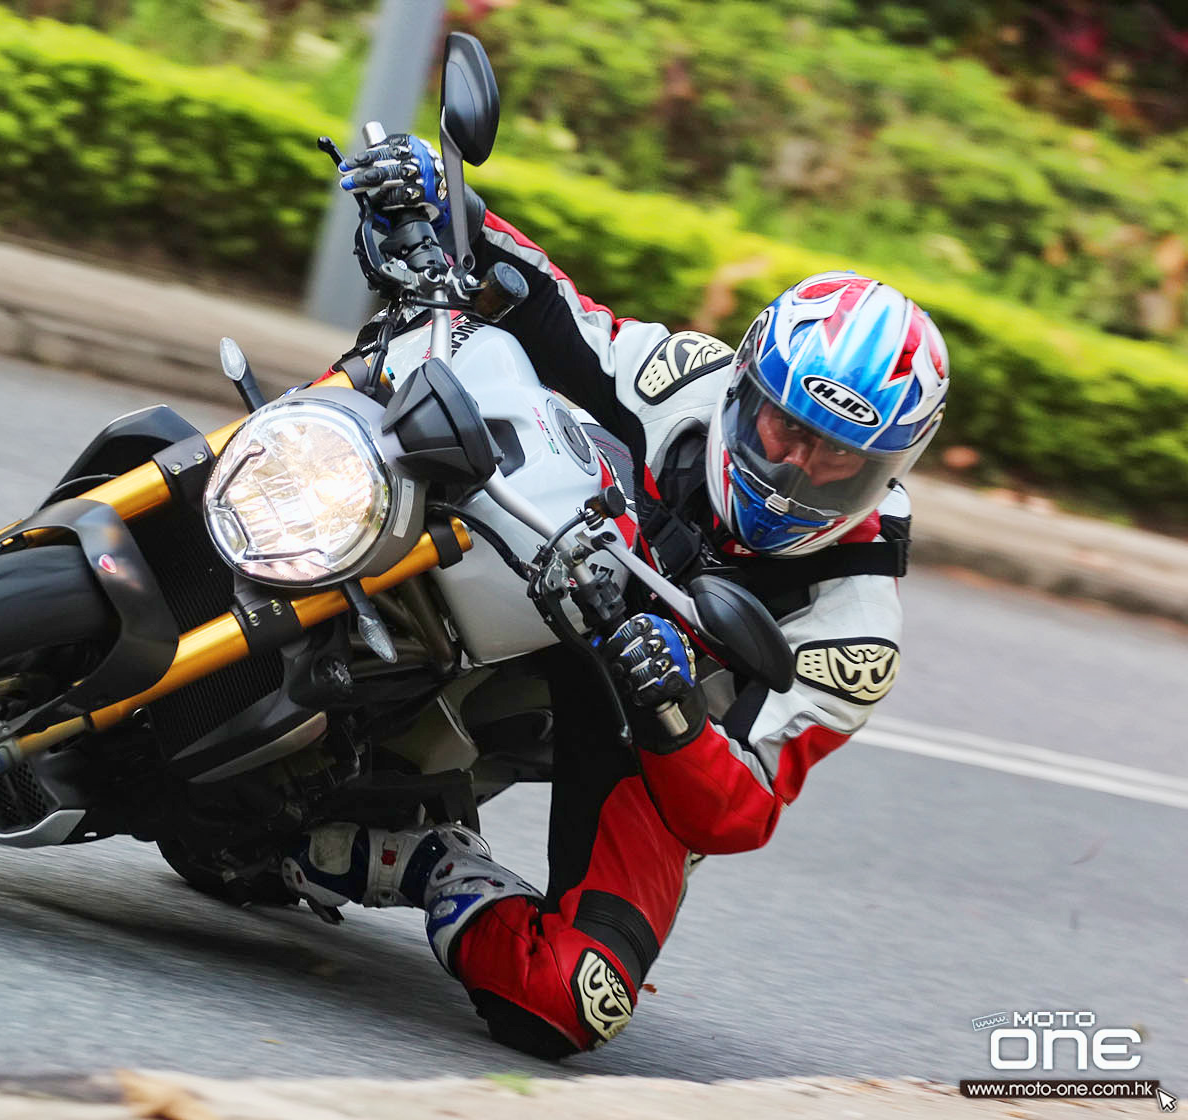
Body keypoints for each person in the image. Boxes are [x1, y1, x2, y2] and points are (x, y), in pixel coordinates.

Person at [282, 135, 951, 1058]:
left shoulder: (856, 626)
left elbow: (741, 812)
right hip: (537, 564)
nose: (795, 470)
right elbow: (554, 311)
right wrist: (444, 202)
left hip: (652, 730)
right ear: (745, 387)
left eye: (838, 458)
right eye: (783, 428)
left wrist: (672, 708)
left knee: (573, 999)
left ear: (890, 470)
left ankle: (428, 862)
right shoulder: (686, 383)